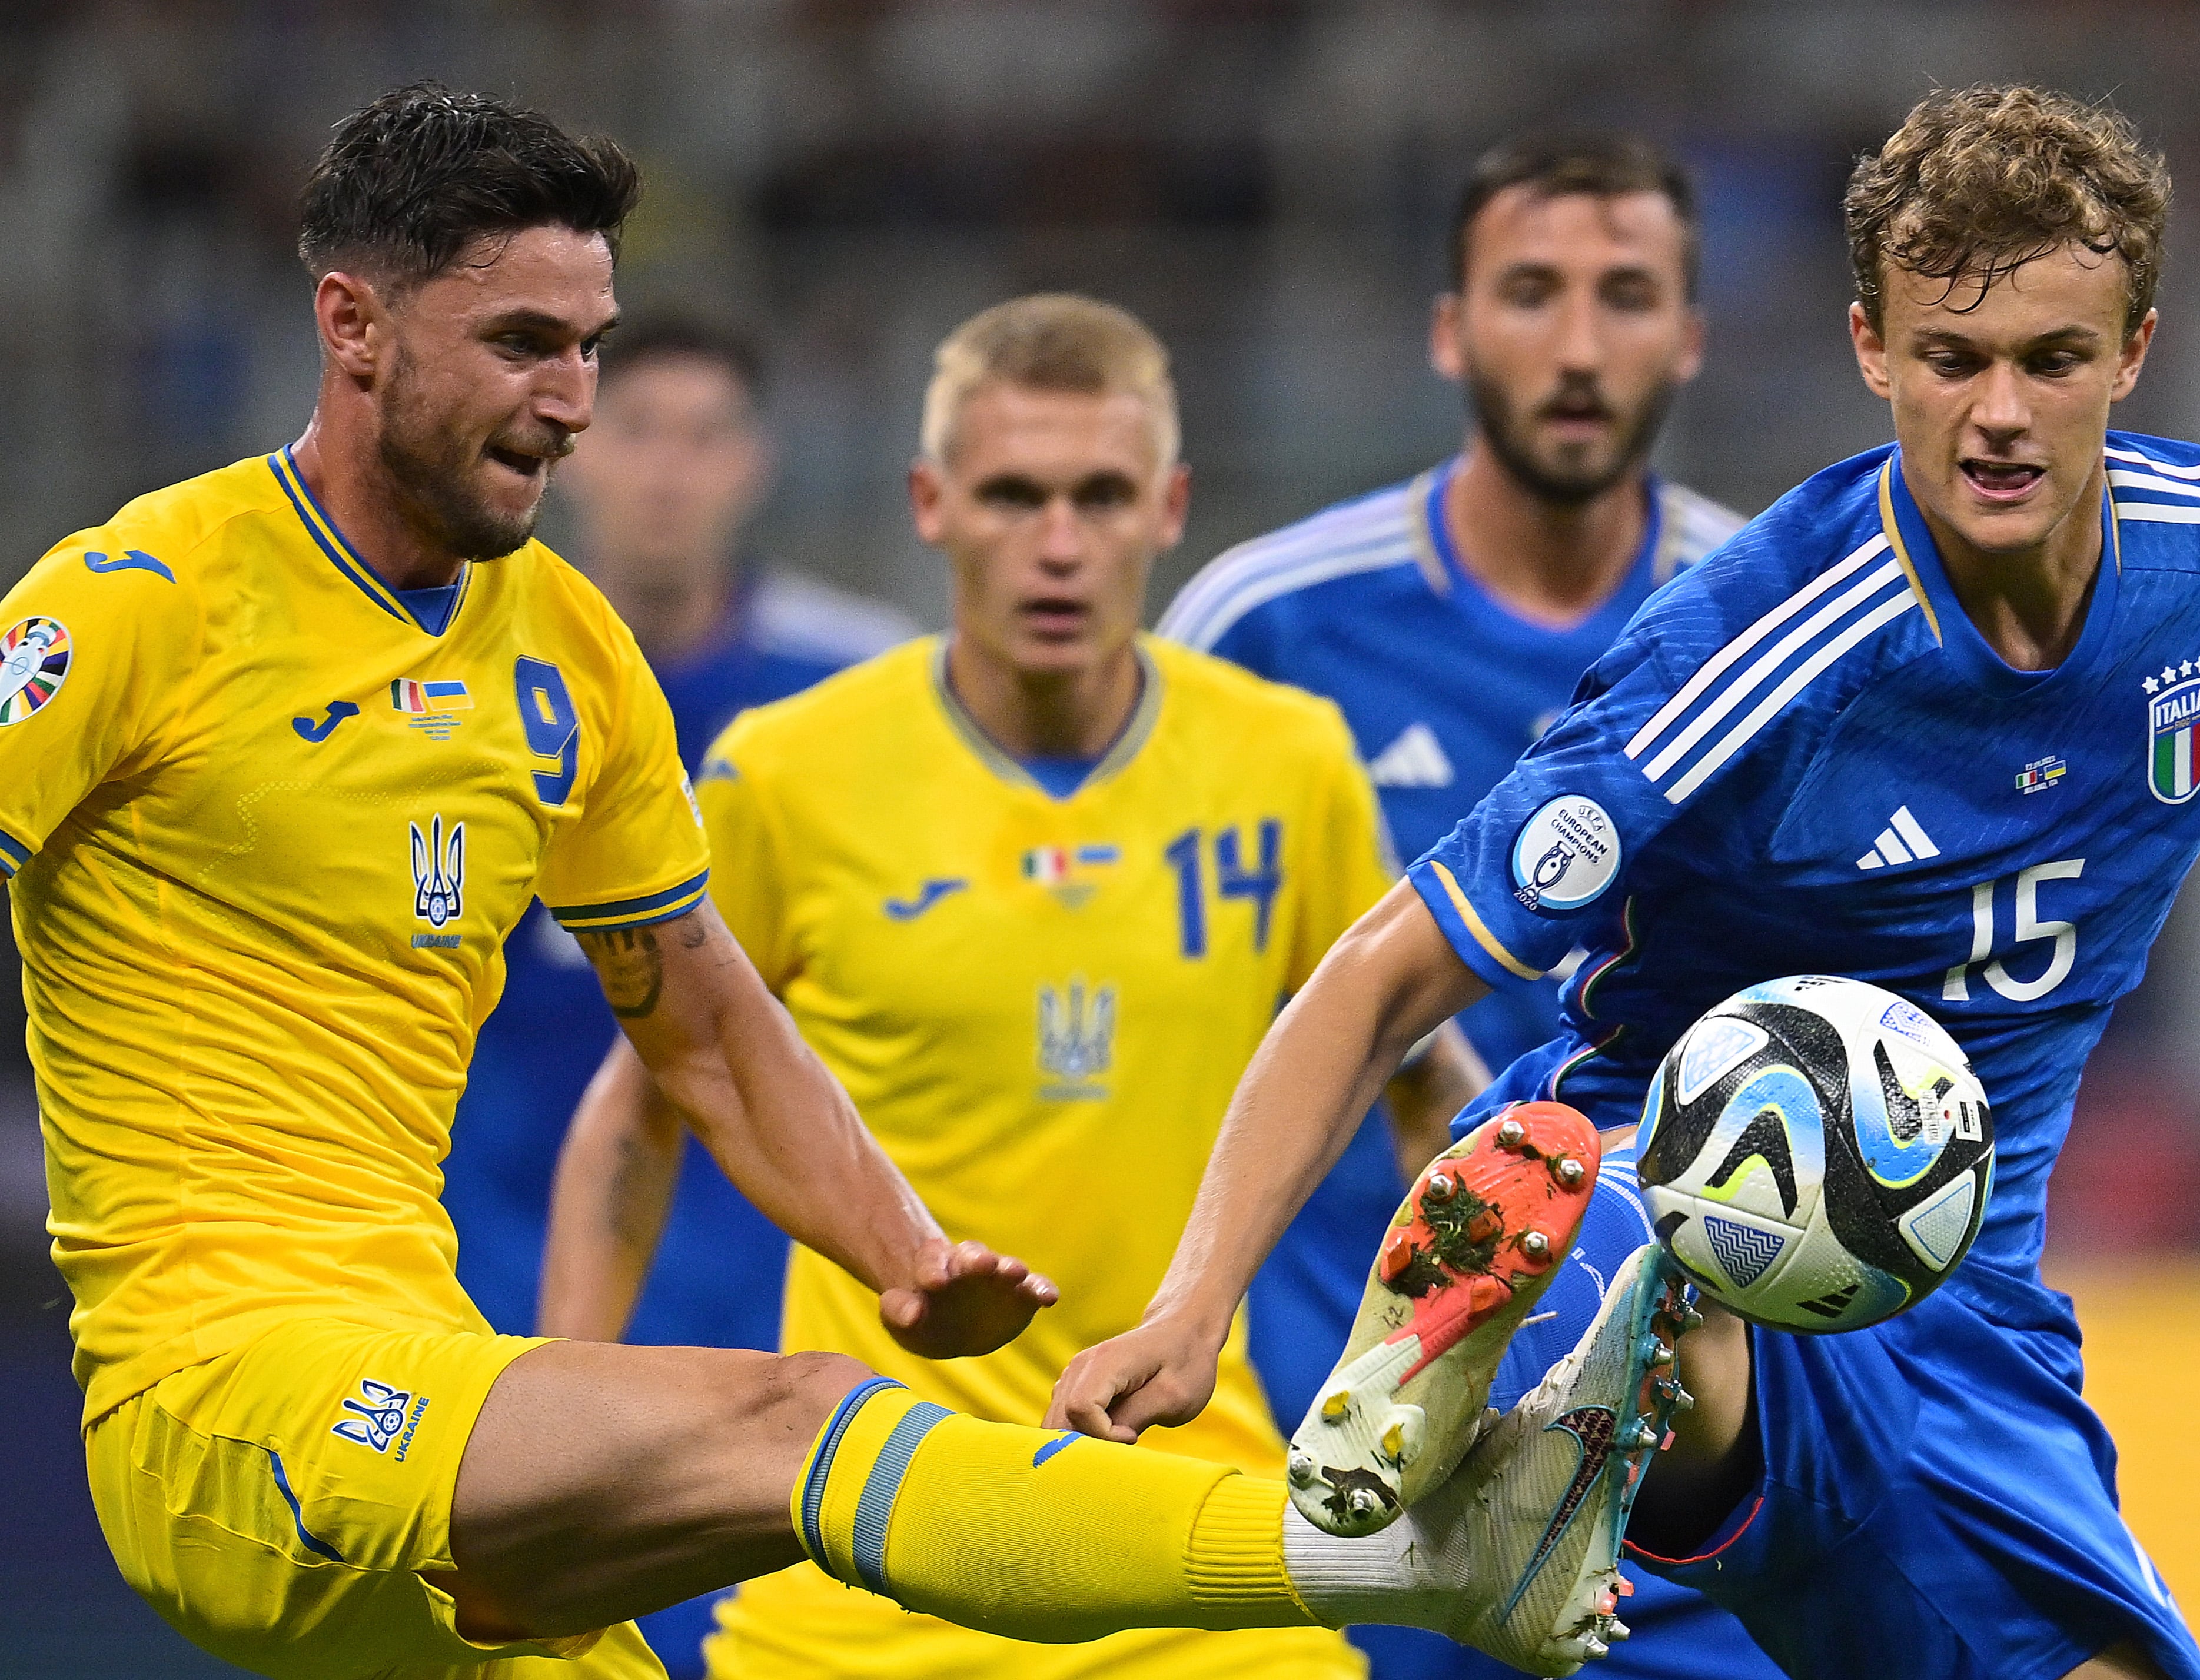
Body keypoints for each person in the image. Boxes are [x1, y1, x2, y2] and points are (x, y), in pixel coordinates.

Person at [5, 83, 1664, 1680]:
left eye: (589, 346)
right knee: (803, 1424)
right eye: (523, 346)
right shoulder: (144, 600)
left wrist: (903, 1249)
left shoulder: (567, 659)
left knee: (823, 1478)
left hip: (417, 1373)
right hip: (220, 1396)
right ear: (352, 326)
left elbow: (704, 1026)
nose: (573, 404)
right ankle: (1413, 1563)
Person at [1058, 83, 2200, 1680]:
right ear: (1872, 351)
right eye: (1951, 360)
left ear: (2135, 354)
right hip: (1663, 1168)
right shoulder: (1756, 649)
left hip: (1965, 1311)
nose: (1999, 417)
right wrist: (1195, 1304)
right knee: (1704, 1203)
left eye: (2051, 360)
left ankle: (1589, 1421)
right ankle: (1584, 1368)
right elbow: (1385, 971)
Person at [541, 291, 1493, 1680]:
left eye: (1099, 496)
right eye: (1010, 496)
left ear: (1168, 508)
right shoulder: (787, 771)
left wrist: (1464, 1356)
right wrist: (562, 1452)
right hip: (863, 1582)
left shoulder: (1285, 761)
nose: (1057, 545)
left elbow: (1421, 1091)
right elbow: (642, 1107)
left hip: (1195, 1561)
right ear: (930, 504)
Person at [1159, 130, 1774, 1680]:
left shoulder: (1777, 624)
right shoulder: (1267, 626)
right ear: (1450, 329)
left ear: (1690, 333)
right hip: (1349, 1440)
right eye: (1529, 293)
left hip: (1673, 1440)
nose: (1577, 345)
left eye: (1625, 295)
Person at [439, 313, 914, 1678]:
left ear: (754, 463)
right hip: (479, 1292)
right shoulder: (443, 676)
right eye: (636, 433)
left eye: (704, 437)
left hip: (772, 1314)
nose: (667, 472)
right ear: (577, 453)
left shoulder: (862, 693)